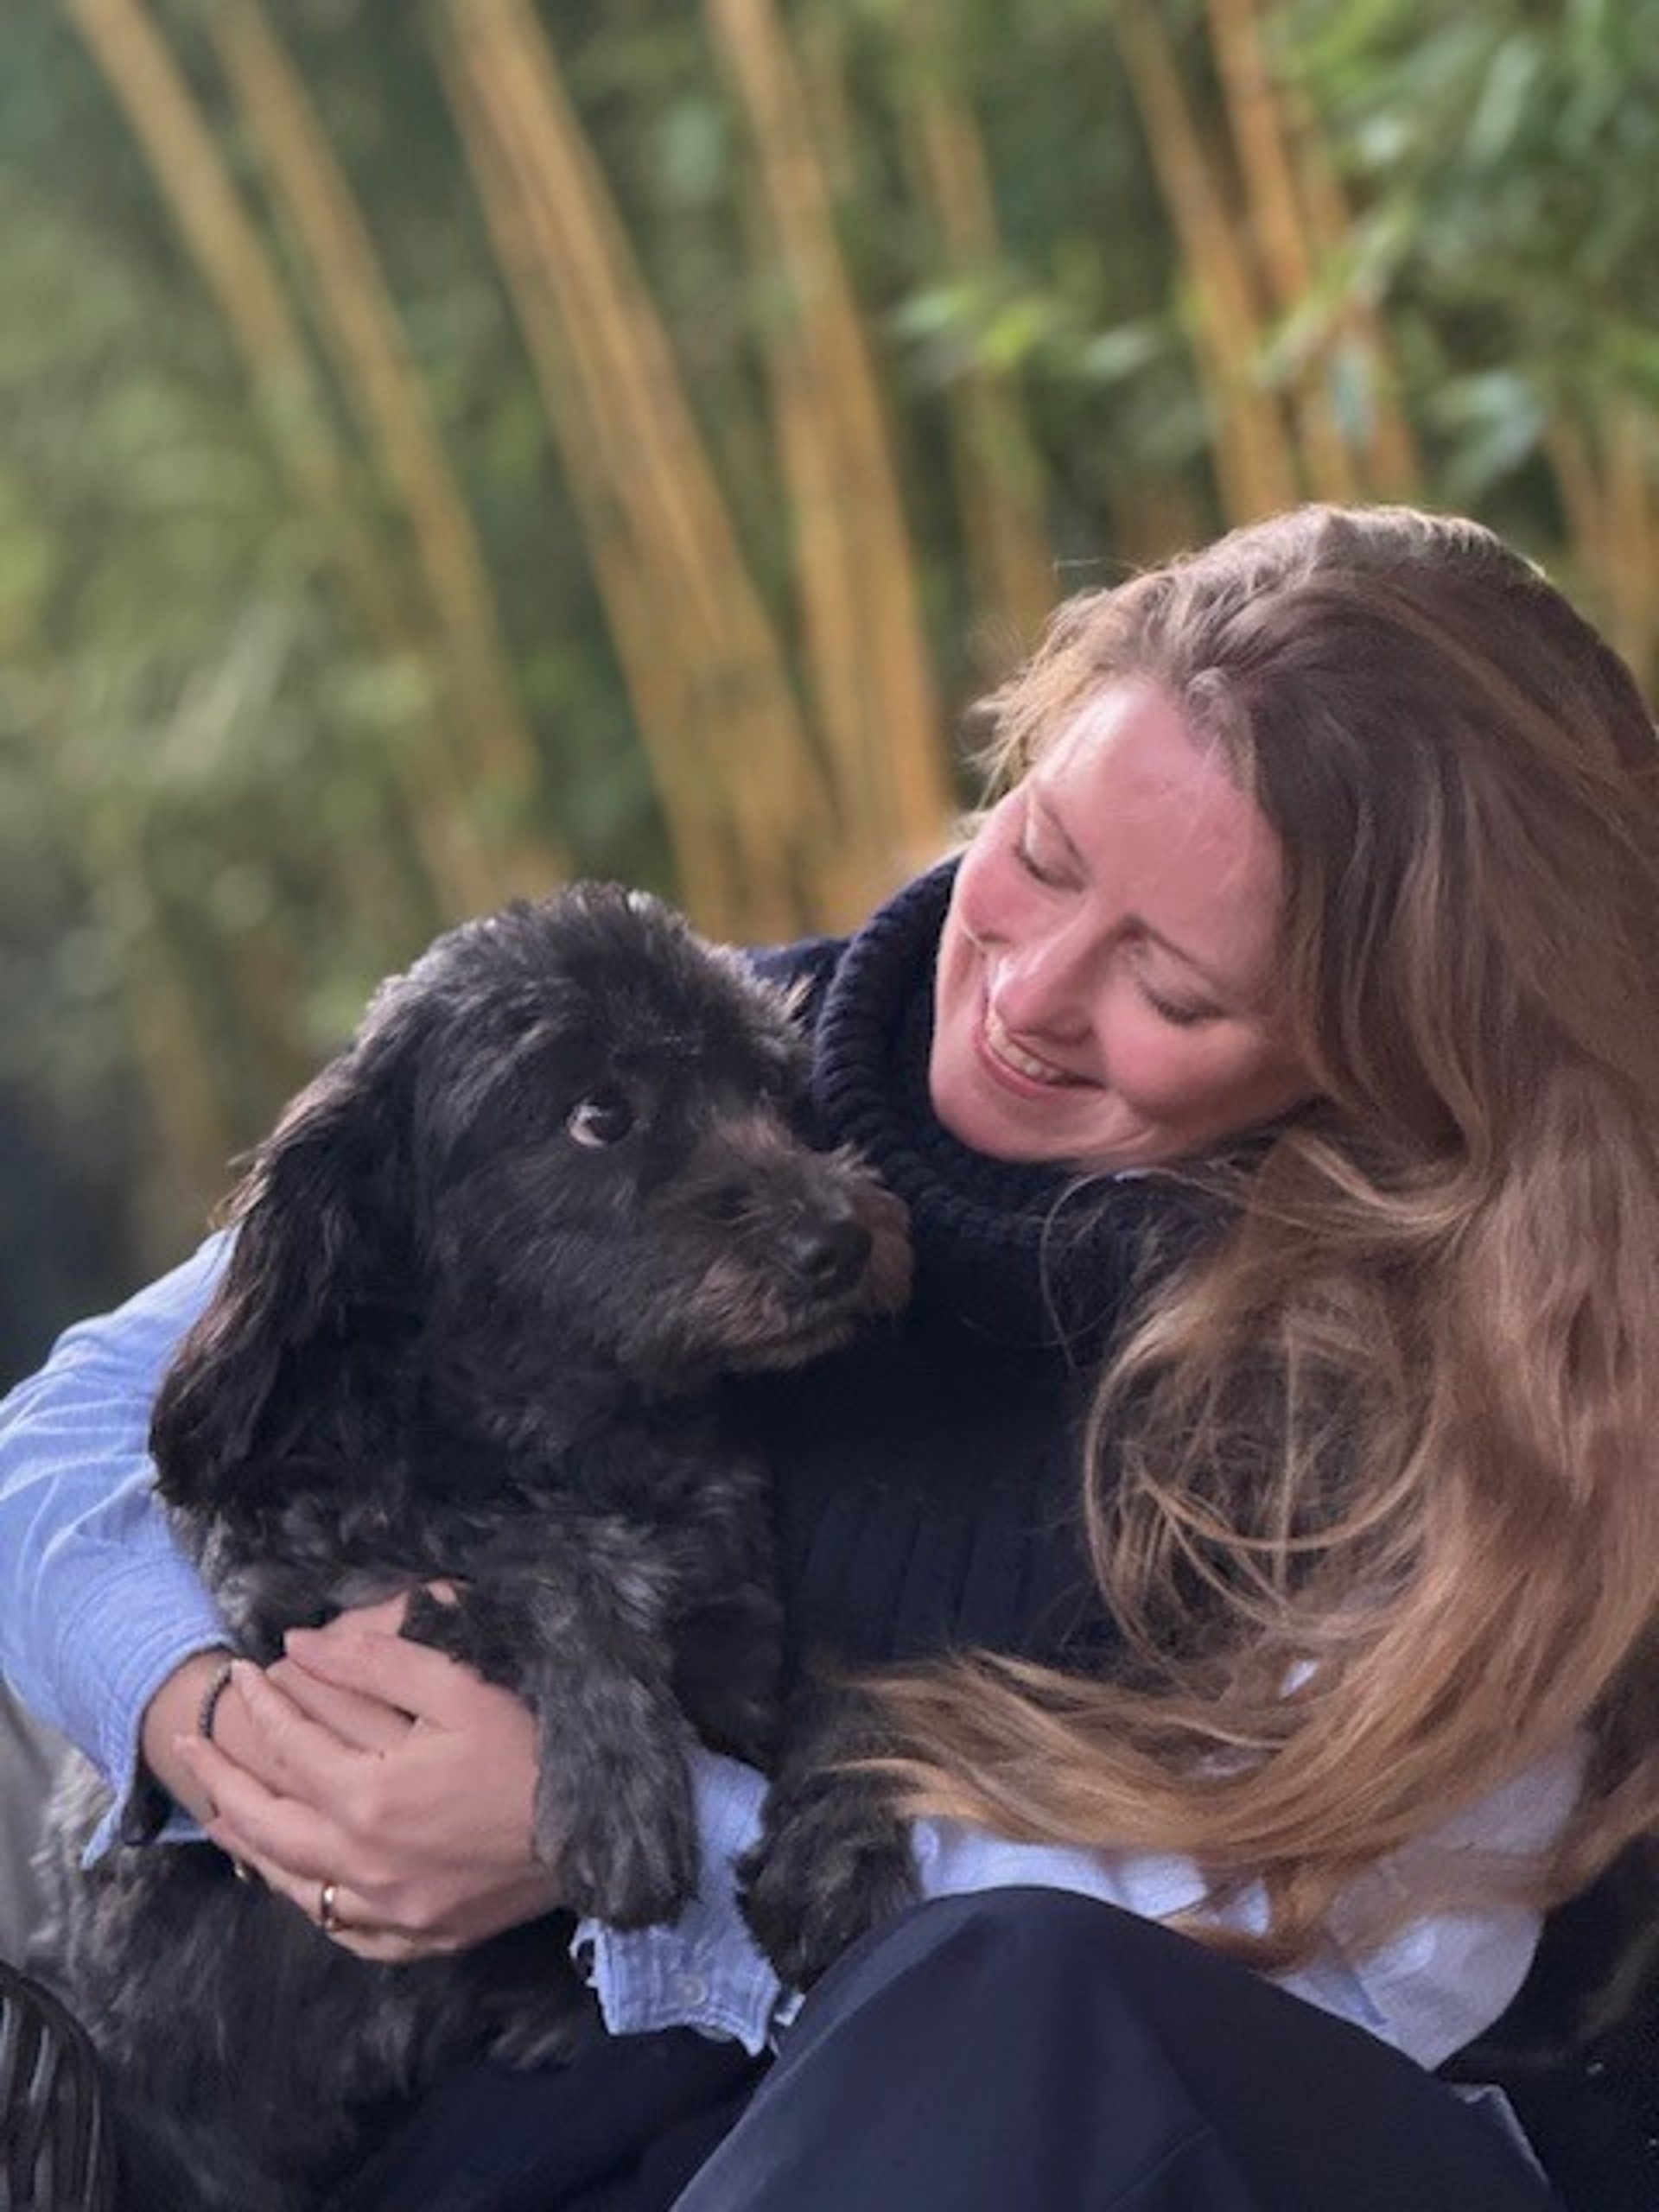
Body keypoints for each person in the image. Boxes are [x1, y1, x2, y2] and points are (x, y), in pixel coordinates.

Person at [3, 501, 1657, 2211]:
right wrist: (233, 1744)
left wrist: (618, 1838)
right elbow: (70, 1439)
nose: (1029, 991)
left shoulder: (1479, 1367)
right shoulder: (684, 1057)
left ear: (1383, 1045)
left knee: (1031, 1995)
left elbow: (1298, 1988)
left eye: (1172, 981)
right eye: (1048, 849)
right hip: (644, 2125)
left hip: (1180, 2147)